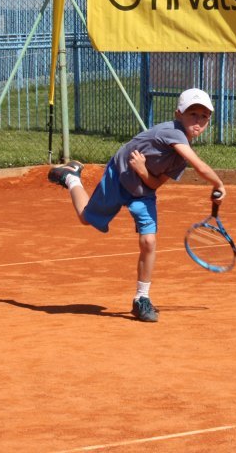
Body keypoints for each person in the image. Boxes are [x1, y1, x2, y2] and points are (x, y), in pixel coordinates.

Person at [47, 88, 226, 323]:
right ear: (178, 114)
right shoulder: (172, 132)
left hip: (142, 190)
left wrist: (143, 172)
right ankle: (71, 177)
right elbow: (201, 168)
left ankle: (142, 298)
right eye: (192, 113)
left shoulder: (181, 157)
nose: (198, 121)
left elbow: (154, 183)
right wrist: (219, 183)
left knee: (149, 241)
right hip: (119, 175)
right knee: (85, 217)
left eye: (204, 117)